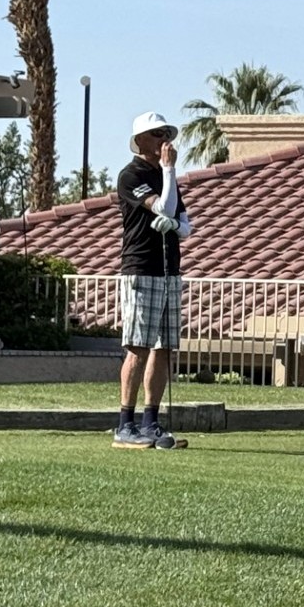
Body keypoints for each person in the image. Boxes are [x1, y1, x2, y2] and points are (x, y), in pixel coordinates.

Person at [112, 111, 193, 450]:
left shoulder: (165, 175)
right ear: (141, 140)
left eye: (166, 133)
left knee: (164, 347)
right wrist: (169, 170)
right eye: (157, 134)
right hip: (141, 268)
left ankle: (150, 422)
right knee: (139, 346)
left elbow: (184, 224)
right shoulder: (131, 175)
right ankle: (125, 424)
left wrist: (175, 226)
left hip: (169, 270)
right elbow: (162, 207)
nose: (164, 140)